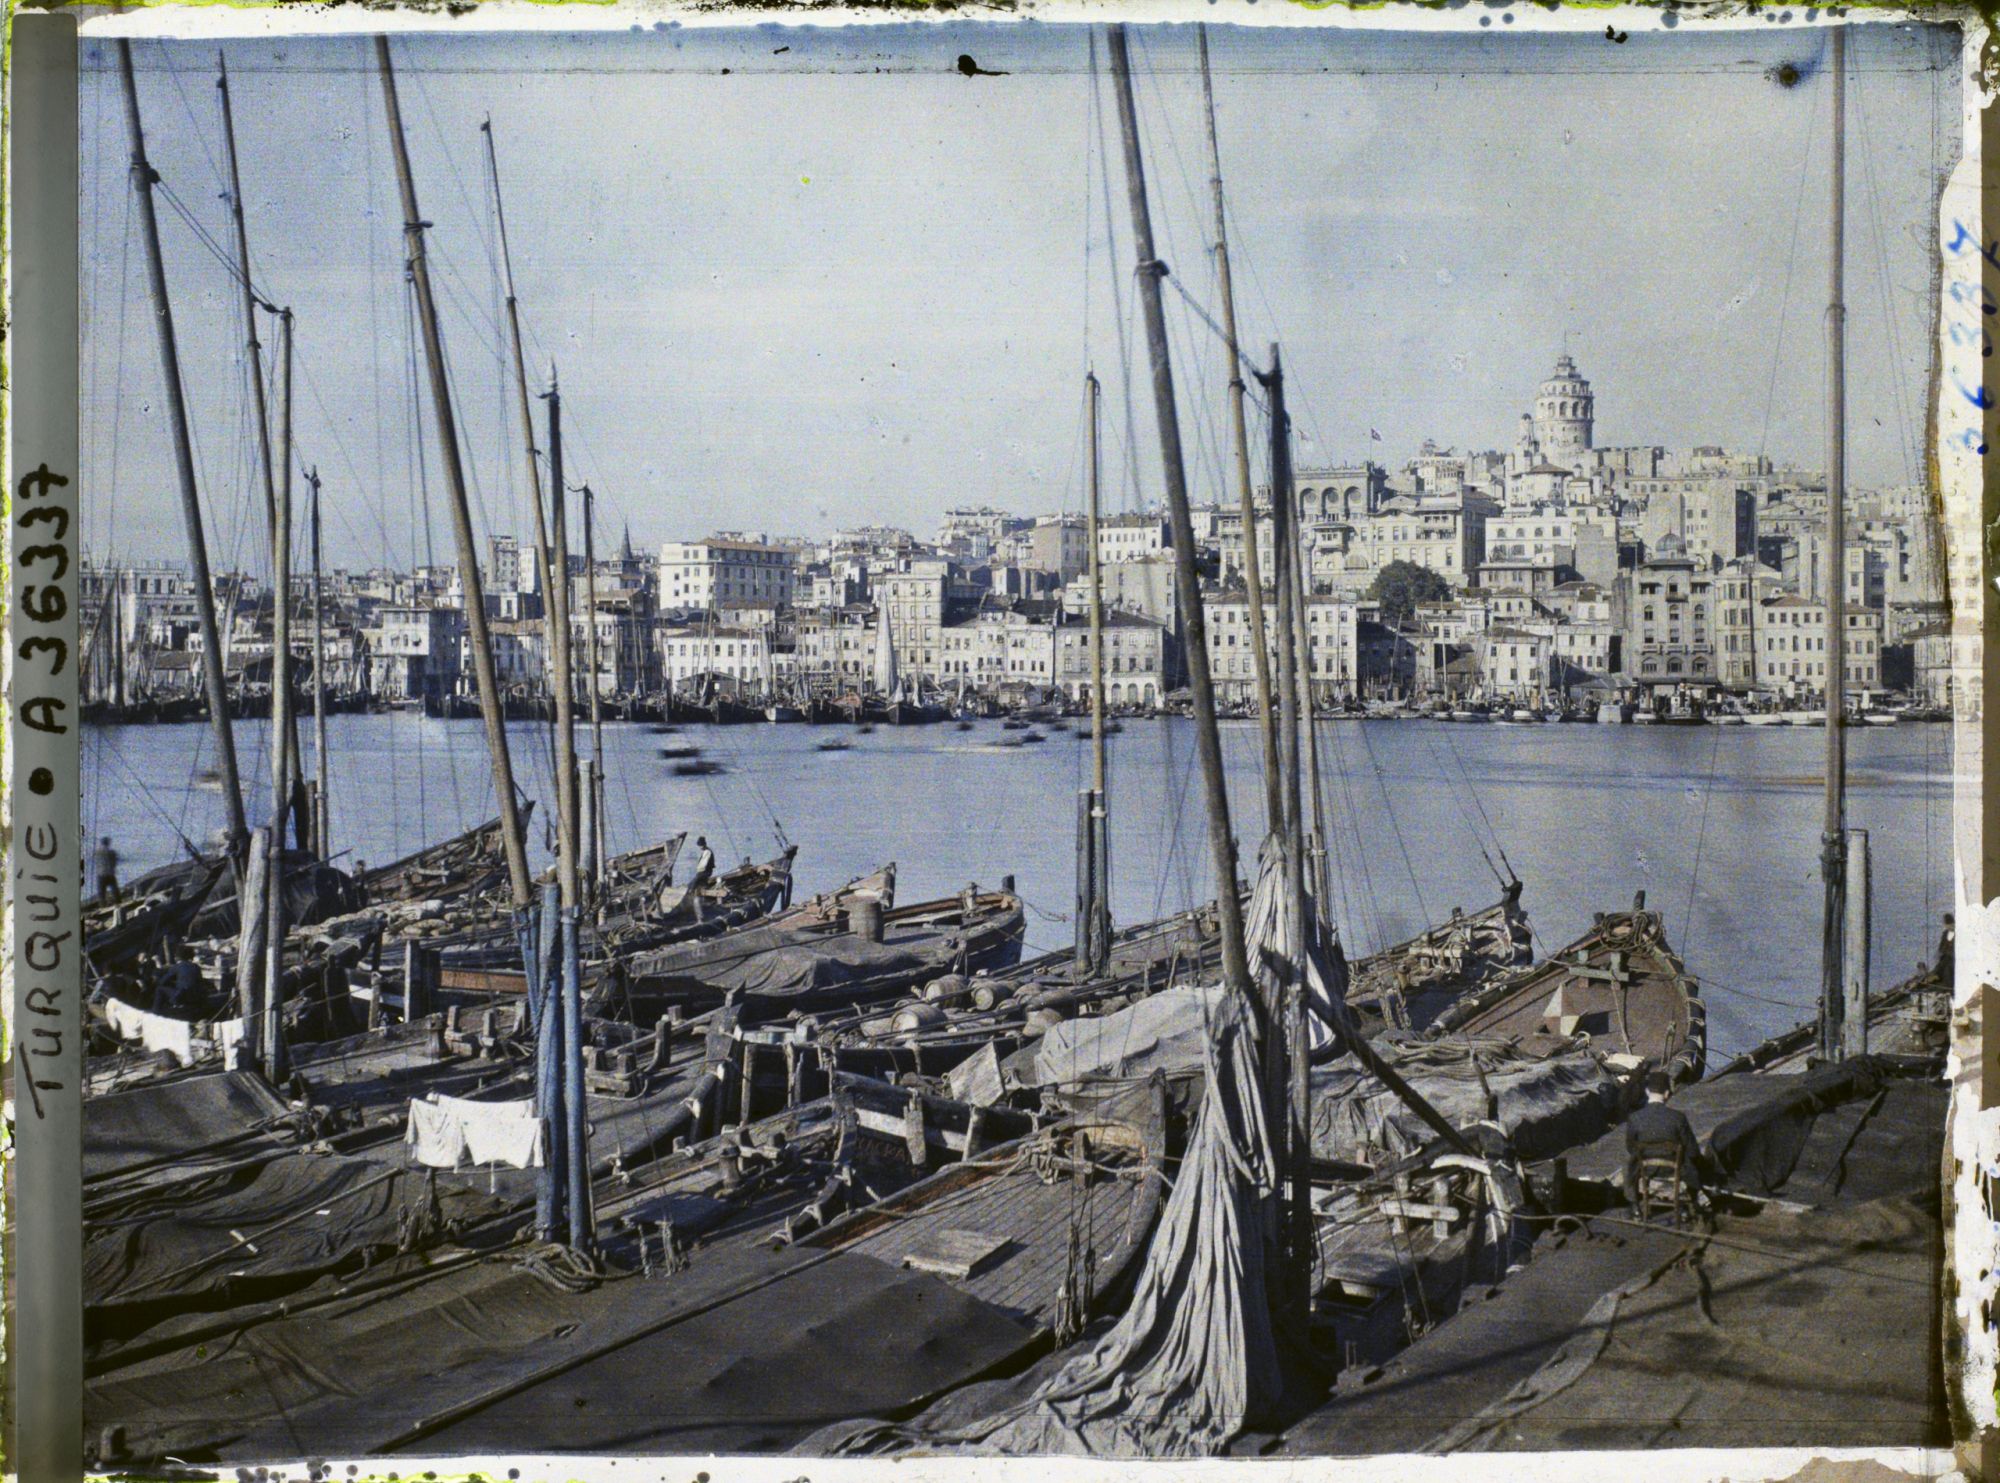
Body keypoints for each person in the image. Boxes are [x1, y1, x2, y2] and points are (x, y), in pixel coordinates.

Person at [1623, 1069, 1705, 1210]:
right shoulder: (1678, 1117)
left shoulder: (1635, 1118)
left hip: (1646, 1169)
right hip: (1675, 1169)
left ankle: (1635, 1205)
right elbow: (1692, 1150)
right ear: (1667, 1094)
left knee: (1629, 1165)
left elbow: (1630, 1147)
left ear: (1647, 1092)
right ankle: (1693, 1203)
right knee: (1693, 1162)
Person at [156, 944, 205, 1018]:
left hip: (183, 997)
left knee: (159, 989)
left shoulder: (177, 967)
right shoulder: (196, 966)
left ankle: (156, 1012)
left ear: (178, 957)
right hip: (196, 997)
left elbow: (162, 982)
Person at [94, 836, 121, 903]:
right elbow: (115, 862)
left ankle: (102, 905)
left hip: (101, 874)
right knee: (114, 889)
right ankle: (118, 901)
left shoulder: (97, 852)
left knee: (101, 892)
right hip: (110, 873)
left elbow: (96, 862)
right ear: (108, 843)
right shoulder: (112, 852)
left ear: (101, 843)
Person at [1935, 912, 1956, 986]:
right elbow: (1941, 947)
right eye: (1948, 925)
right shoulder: (1945, 933)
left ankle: (1948, 985)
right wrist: (1941, 953)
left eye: (1952, 925)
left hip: (1954, 958)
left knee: (1947, 968)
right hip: (1945, 957)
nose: (1950, 927)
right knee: (1942, 964)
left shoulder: (1959, 934)